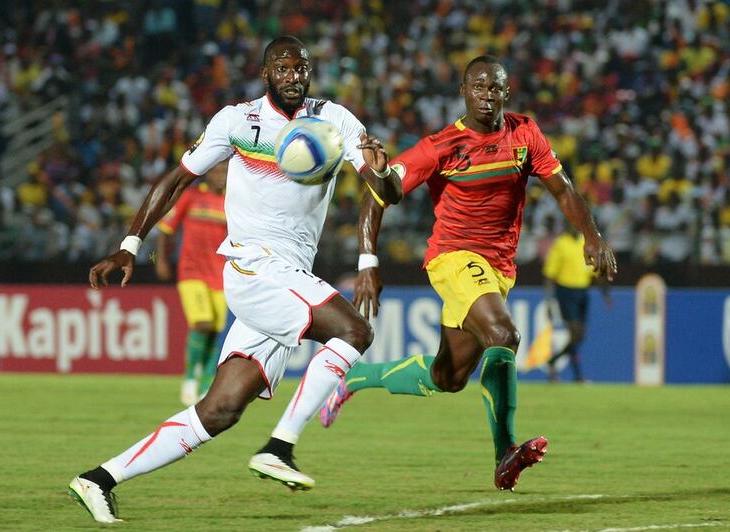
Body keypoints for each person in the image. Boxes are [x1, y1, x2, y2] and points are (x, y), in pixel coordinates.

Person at [68, 36, 402, 523]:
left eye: (301, 68)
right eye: (282, 68)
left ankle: (99, 479)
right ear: (266, 74)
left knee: (220, 410)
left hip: (288, 275)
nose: (293, 76)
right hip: (253, 266)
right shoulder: (236, 121)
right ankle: (280, 447)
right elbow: (176, 179)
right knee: (355, 331)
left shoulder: (335, 121)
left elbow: (383, 190)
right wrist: (130, 244)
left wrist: (381, 178)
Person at [320, 55, 617, 491]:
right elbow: (381, 194)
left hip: (498, 267)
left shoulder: (525, 133)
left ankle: (357, 379)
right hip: (454, 257)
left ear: (506, 93)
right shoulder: (441, 145)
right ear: (463, 92)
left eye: (494, 88)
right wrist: (369, 255)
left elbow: (563, 189)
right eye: (478, 87)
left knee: (449, 376)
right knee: (505, 335)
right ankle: (505, 453)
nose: (487, 96)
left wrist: (591, 235)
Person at [155, 160, 228, 405]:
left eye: (226, 172)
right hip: (191, 272)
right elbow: (166, 229)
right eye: (218, 171)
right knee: (202, 324)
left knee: (216, 332)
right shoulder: (191, 197)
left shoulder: (233, 203)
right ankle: (189, 377)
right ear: (209, 174)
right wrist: (161, 259)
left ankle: (207, 381)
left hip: (221, 276)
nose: (222, 176)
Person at [543, 223, 611, 383]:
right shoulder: (561, 244)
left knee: (578, 336)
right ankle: (573, 373)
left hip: (583, 292)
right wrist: (548, 301)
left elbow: (596, 271)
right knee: (576, 333)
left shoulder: (585, 242)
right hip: (565, 291)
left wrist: (605, 293)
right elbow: (549, 275)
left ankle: (560, 366)